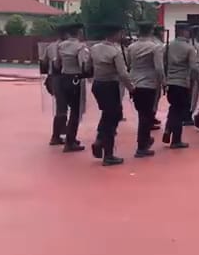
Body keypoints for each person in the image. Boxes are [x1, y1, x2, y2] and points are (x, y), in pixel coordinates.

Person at [88, 23, 134, 166]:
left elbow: (88, 66)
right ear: (116, 35)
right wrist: (131, 88)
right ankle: (108, 153)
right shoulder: (115, 51)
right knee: (112, 119)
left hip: (98, 84)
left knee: (107, 114)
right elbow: (123, 74)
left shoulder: (94, 48)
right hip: (110, 85)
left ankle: (100, 139)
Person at [126, 22, 165, 157]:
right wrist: (163, 82)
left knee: (142, 114)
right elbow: (159, 68)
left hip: (135, 83)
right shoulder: (155, 47)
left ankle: (145, 141)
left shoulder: (131, 47)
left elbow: (129, 65)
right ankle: (142, 146)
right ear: (151, 31)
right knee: (146, 116)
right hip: (149, 83)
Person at [52, 22, 89, 153]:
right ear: (79, 33)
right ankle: (70, 141)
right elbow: (83, 65)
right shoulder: (80, 47)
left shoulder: (61, 45)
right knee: (75, 111)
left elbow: (57, 65)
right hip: (75, 79)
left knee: (64, 109)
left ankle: (66, 137)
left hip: (63, 78)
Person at [164, 22, 199, 149]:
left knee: (173, 108)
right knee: (179, 112)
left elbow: (164, 63)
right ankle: (176, 140)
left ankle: (168, 128)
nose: (189, 34)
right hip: (182, 82)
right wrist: (197, 81)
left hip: (170, 82)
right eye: (188, 31)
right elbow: (194, 68)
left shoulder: (168, 46)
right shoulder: (189, 48)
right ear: (183, 32)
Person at [42, 25, 66, 145]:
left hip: (52, 78)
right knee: (63, 107)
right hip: (63, 77)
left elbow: (44, 62)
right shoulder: (65, 47)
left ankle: (61, 132)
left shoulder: (50, 46)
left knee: (60, 106)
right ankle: (57, 135)